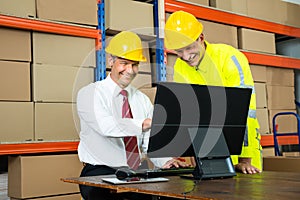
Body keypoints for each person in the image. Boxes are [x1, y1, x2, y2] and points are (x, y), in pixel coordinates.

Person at [76, 31, 189, 200]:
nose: (130, 70)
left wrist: (165, 161)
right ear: (111, 61)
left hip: (135, 172)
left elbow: (149, 141)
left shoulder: (141, 99)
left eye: (134, 64)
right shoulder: (90, 93)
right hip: (100, 171)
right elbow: (106, 126)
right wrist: (144, 123)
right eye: (124, 63)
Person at [164, 10, 262, 174]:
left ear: (201, 38)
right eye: (179, 51)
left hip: (243, 147)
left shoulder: (229, 58)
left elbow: (246, 111)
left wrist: (245, 159)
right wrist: (176, 154)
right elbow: (187, 112)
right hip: (207, 148)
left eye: (189, 48)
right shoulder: (180, 67)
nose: (186, 56)